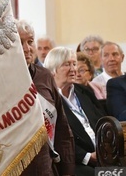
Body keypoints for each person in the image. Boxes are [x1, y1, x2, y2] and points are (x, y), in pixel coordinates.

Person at [16, 20, 75, 176]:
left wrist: (67, 171)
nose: (26, 48)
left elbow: (61, 126)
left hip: (44, 163)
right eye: (19, 42)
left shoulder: (45, 76)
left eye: (30, 42)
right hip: (14, 164)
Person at [44, 47, 106, 175]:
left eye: (74, 64)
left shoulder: (84, 91)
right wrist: (87, 157)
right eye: (67, 65)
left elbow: (102, 119)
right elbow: (54, 140)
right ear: (53, 70)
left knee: (120, 171)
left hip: (103, 154)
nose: (73, 69)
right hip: (75, 162)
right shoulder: (47, 100)